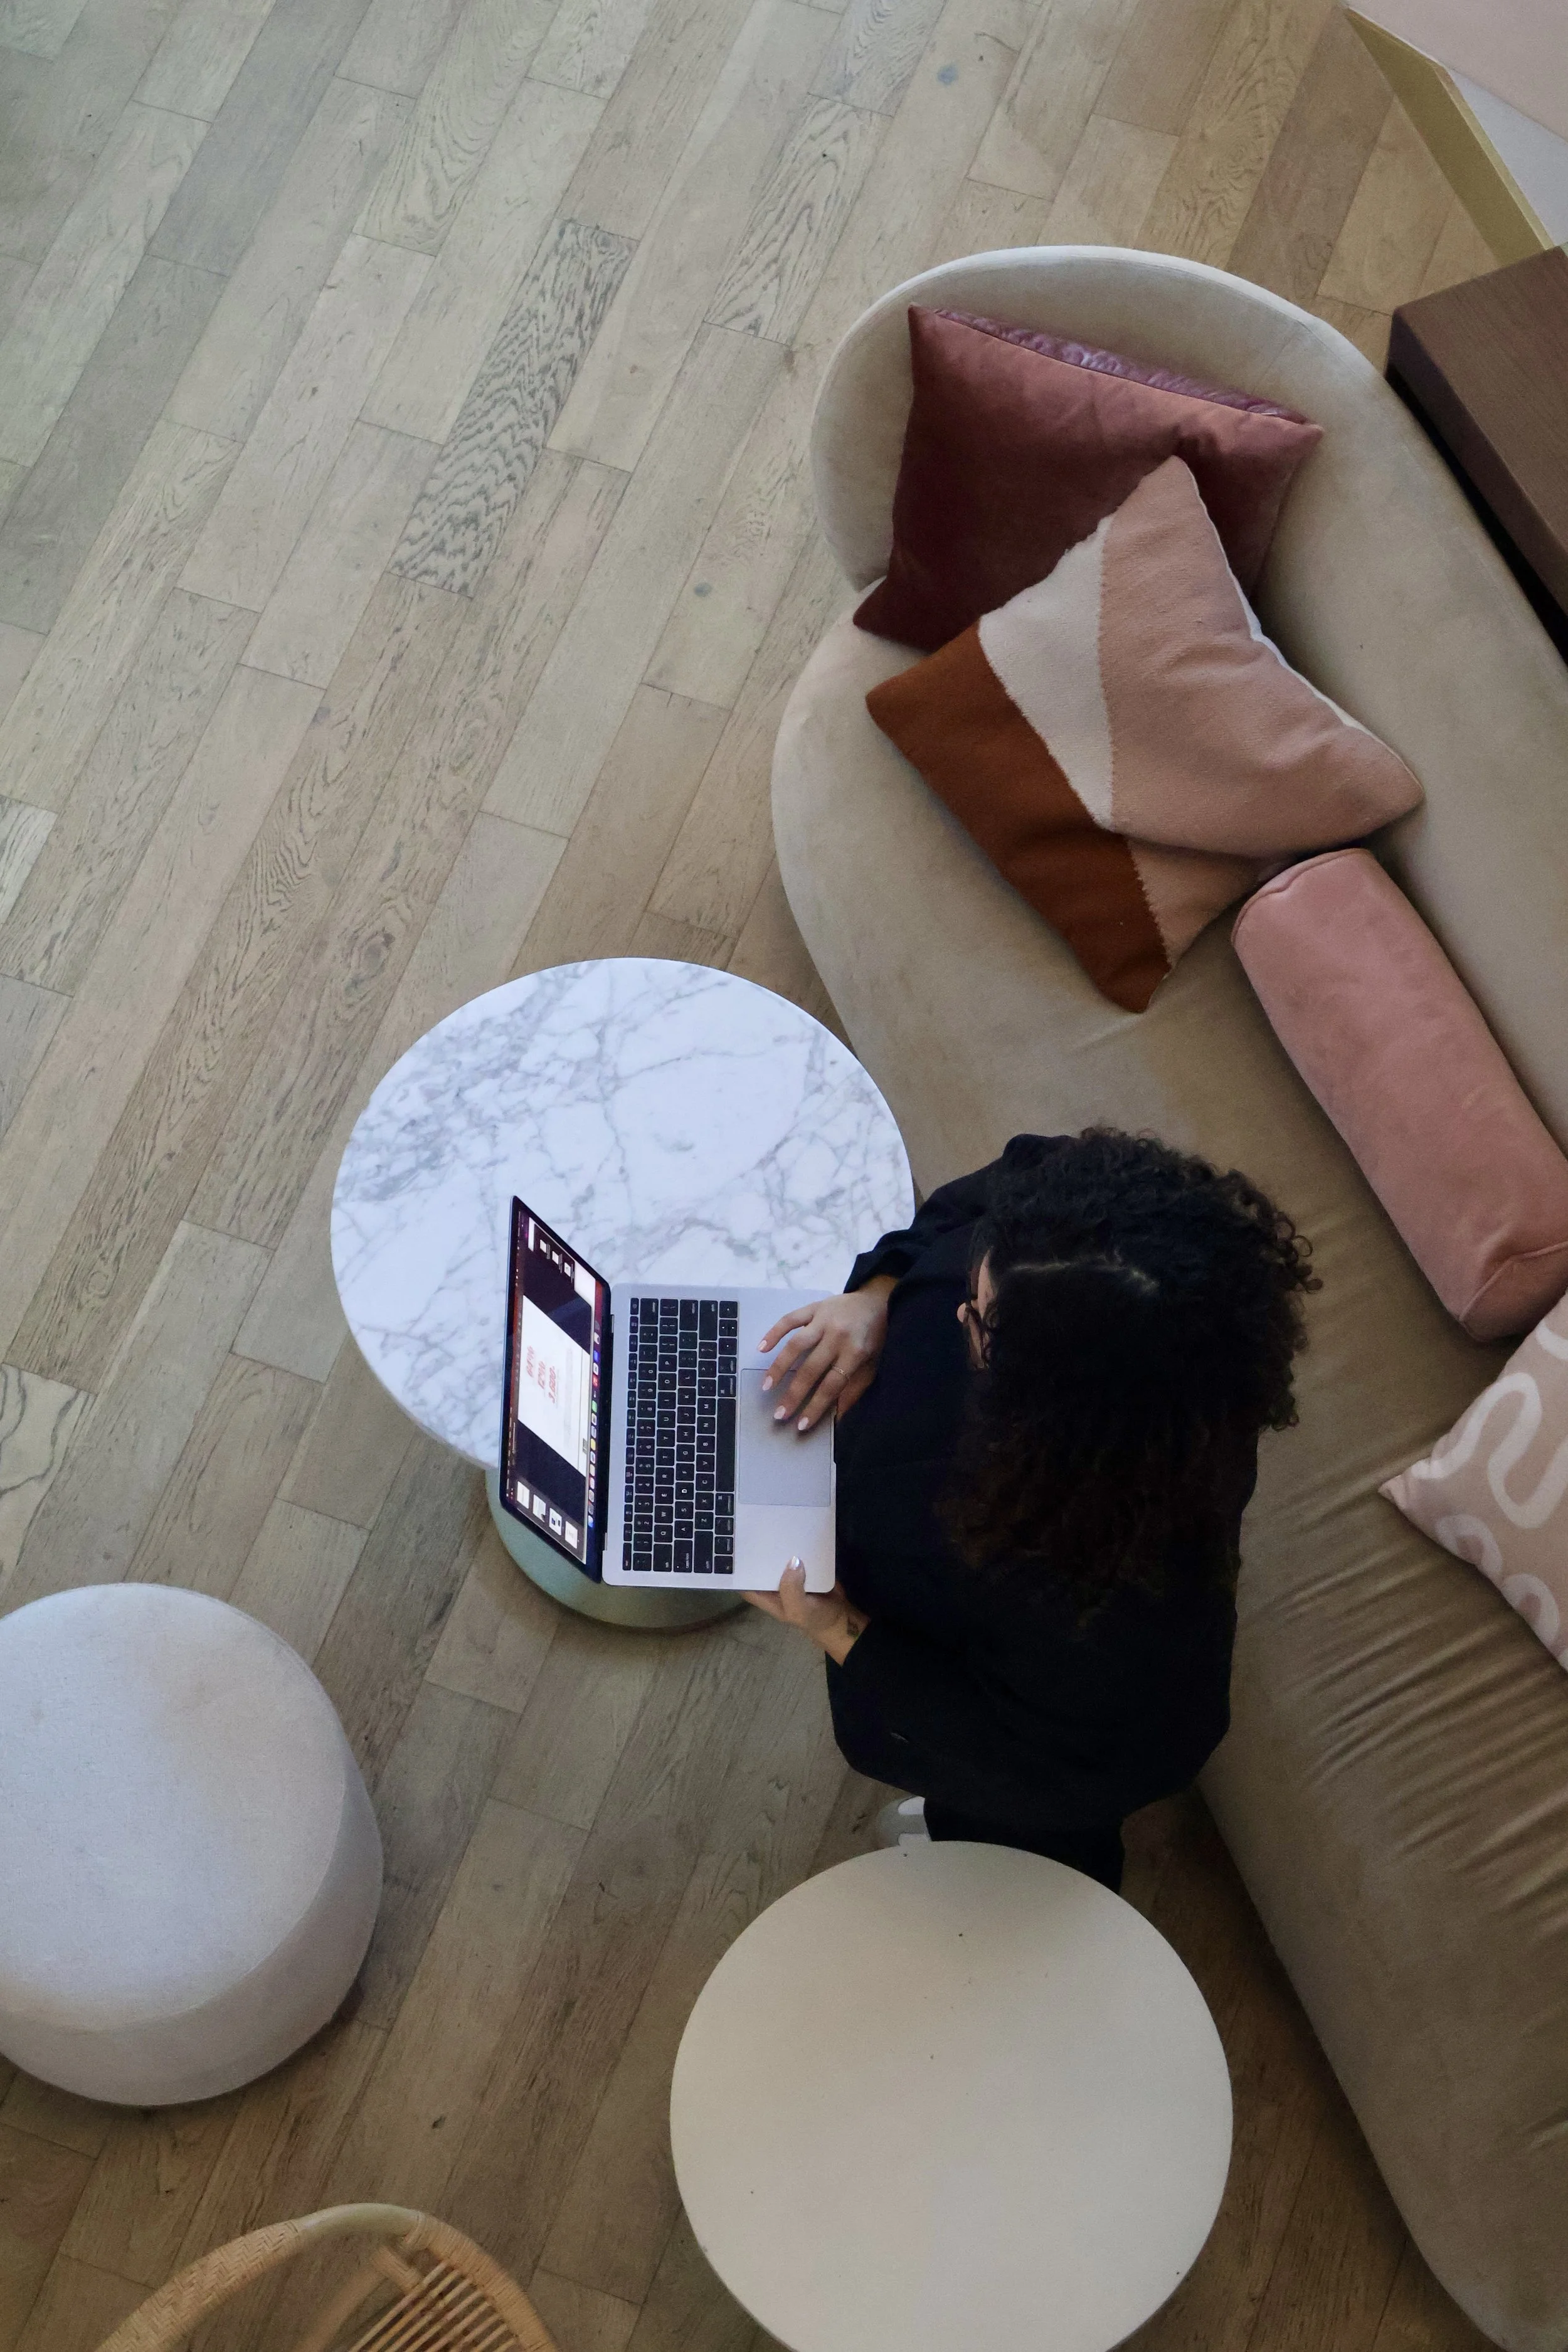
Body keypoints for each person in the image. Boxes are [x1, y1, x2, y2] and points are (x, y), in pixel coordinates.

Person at [746, 1128, 1316, 1890]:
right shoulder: (1067, 1238)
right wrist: (876, 1293)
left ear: (1056, 1401)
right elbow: (995, 1187)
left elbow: (1029, 1760)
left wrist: (834, 1625)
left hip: (1047, 1759)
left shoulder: (1100, 1586)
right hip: (909, 1517)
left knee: (1013, 1849)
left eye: (979, 1317)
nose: (958, 1312)